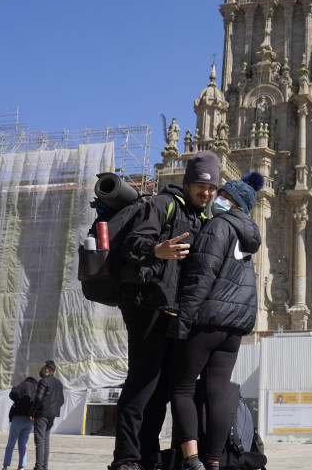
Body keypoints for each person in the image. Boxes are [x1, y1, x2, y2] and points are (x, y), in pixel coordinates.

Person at [110, 152, 218, 470]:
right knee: (143, 383)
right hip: (147, 305)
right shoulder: (162, 205)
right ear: (187, 183)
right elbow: (132, 242)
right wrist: (157, 250)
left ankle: (146, 456)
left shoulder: (201, 219)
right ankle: (127, 459)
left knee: (161, 392)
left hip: (174, 313)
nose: (207, 192)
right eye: (201, 185)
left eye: (212, 188)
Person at [168, 172, 263, 470]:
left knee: (182, 388)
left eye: (223, 195)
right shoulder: (248, 234)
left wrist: (182, 322)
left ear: (232, 201)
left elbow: (201, 277)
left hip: (208, 320)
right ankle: (214, 461)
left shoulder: (218, 225)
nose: (216, 199)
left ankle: (192, 458)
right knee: (219, 391)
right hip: (235, 326)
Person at [31, 360, 64, 470]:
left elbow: (38, 398)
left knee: (40, 441)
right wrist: (53, 409)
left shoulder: (43, 381)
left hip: (42, 414)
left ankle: (39, 467)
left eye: (42, 367)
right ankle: (44, 466)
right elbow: (62, 400)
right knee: (45, 441)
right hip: (52, 415)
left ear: (46, 370)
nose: (41, 370)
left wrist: (32, 411)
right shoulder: (59, 383)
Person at [2, 375, 37, 470]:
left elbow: (12, 393)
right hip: (29, 421)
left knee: (11, 444)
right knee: (22, 444)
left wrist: (18, 400)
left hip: (18, 418)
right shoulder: (35, 389)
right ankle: (21, 466)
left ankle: (5, 466)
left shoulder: (24, 385)